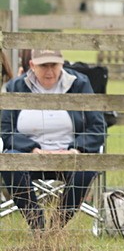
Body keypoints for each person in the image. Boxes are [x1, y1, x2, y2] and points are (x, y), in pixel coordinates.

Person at [1, 50, 107, 231]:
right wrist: (32, 150)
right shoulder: (15, 87)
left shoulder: (80, 85)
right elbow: (5, 129)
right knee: (10, 162)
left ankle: (56, 227)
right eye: (44, 66)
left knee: (86, 169)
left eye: (54, 65)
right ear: (32, 65)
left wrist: (75, 150)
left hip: (69, 154)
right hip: (28, 155)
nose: (49, 71)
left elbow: (98, 128)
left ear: (62, 64)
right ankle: (38, 225)